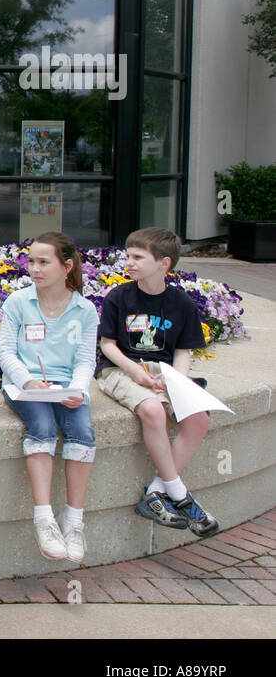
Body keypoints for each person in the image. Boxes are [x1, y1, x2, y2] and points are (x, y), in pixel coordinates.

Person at [96, 227, 219, 536]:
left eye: (138, 257)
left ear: (163, 264)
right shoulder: (118, 297)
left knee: (199, 420)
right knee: (152, 410)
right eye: (128, 255)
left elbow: (183, 350)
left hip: (165, 373)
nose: (129, 262)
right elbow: (107, 345)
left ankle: (154, 493)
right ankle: (179, 495)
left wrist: (176, 381)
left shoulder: (181, 303)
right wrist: (134, 370)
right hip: (119, 369)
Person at [0, 232, 99, 562]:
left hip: (67, 387)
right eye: (31, 261)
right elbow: (6, 353)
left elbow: (85, 360)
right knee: (41, 425)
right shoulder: (18, 303)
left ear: (66, 266)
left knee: (81, 431)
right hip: (24, 387)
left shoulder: (85, 311)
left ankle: (73, 520)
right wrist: (28, 381)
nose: (34, 269)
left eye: (44, 262)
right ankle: (44, 518)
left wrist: (78, 391)